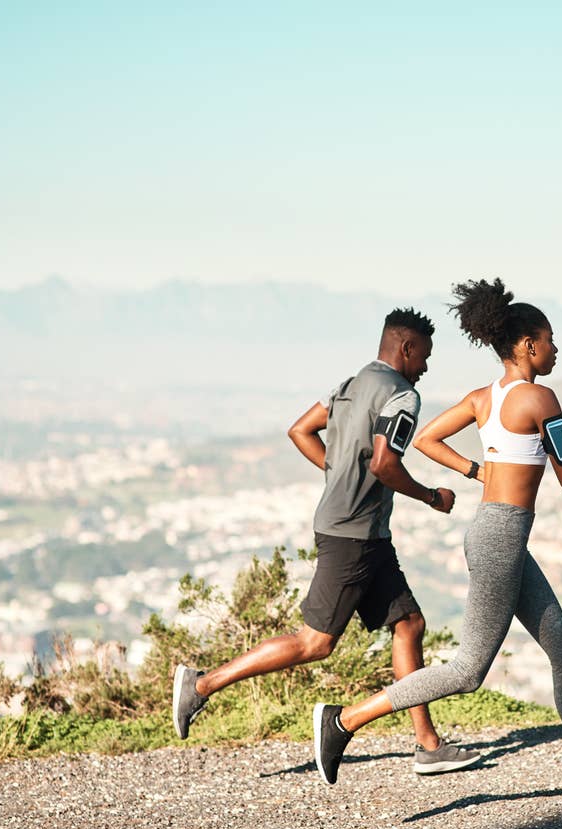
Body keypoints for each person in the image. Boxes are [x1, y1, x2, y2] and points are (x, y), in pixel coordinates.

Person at [311, 279, 562, 817]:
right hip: (502, 538)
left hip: (495, 533)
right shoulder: (541, 399)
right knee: (469, 670)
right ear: (526, 346)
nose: (555, 349)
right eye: (549, 339)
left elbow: (425, 439)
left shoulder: (482, 398)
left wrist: (476, 470)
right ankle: (343, 722)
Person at [171, 308, 481, 776]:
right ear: (407, 348)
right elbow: (383, 464)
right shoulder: (402, 396)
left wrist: (339, 475)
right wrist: (430, 496)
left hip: (363, 534)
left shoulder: (348, 386)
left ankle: (427, 743)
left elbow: (300, 429)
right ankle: (202, 686)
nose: (425, 367)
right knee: (314, 643)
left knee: (409, 624)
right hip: (353, 536)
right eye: (425, 356)